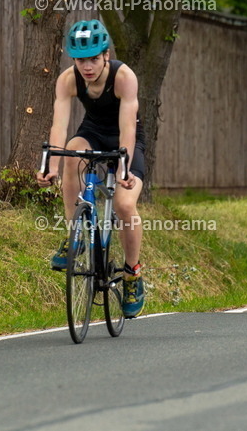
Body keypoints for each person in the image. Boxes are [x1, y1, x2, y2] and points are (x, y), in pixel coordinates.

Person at [36, 20, 147, 318]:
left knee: (125, 206)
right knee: (72, 151)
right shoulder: (67, 80)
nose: (87, 66)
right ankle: (75, 235)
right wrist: (52, 167)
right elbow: (59, 125)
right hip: (94, 131)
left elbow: (127, 127)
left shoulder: (124, 77)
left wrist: (123, 169)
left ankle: (132, 275)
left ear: (105, 56)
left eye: (93, 59)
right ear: (73, 59)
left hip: (127, 139)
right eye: (81, 60)